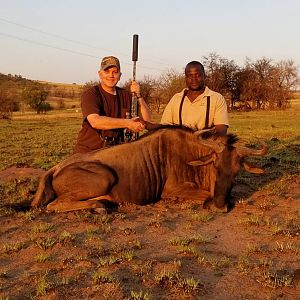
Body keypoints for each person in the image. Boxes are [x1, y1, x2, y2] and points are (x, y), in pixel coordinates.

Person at [74, 56, 152, 153]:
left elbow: (148, 120)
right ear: (100, 74)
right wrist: (128, 123)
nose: (111, 75)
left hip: (115, 151)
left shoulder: (126, 95)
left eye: (115, 72)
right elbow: (95, 121)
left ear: (120, 75)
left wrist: (138, 95)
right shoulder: (91, 94)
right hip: (89, 151)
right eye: (107, 71)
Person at [161, 61, 229, 135]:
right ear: (186, 78)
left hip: (205, 145)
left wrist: (198, 139)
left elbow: (221, 130)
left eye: (197, 75)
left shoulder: (216, 98)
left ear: (204, 76)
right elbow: (164, 128)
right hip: (179, 145)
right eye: (190, 75)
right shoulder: (176, 99)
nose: (194, 79)